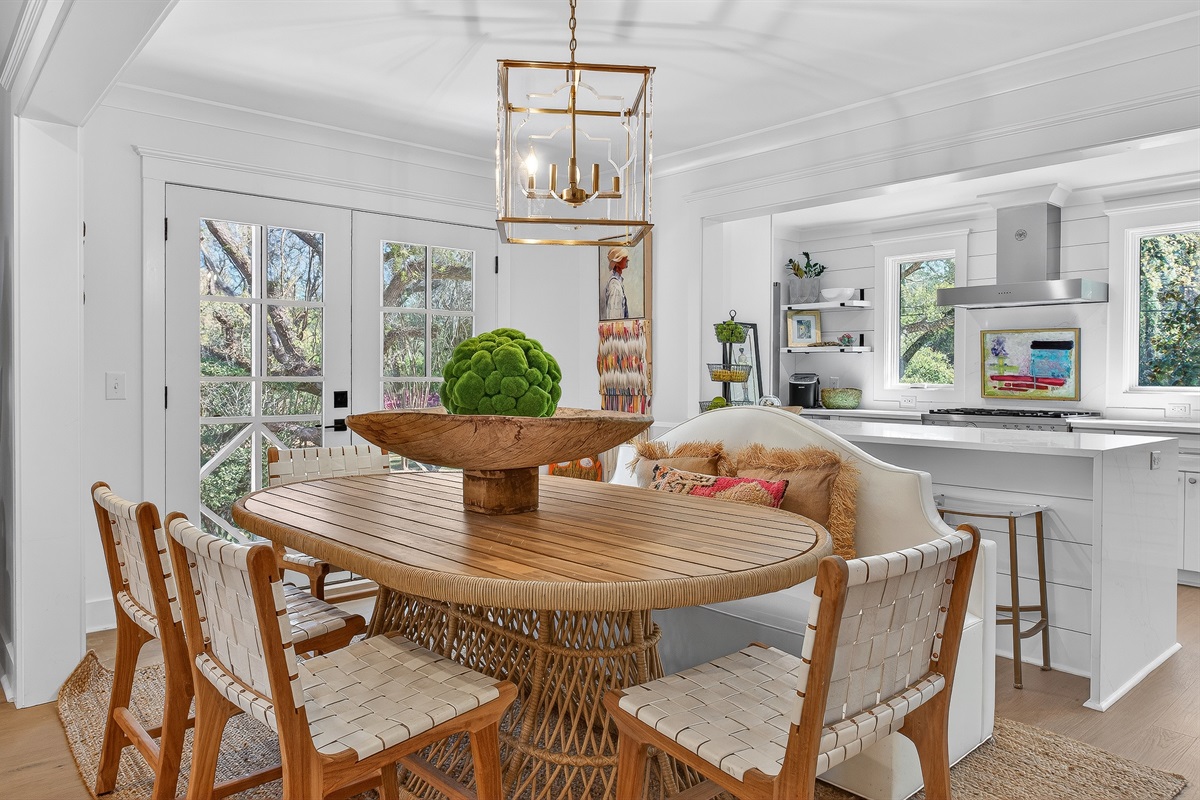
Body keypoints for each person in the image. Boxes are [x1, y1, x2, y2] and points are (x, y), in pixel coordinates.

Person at [603, 246, 629, 320]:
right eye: (624, 258)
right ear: (617, 263)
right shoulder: (615, 285)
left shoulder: (618, 282)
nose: (627, 260)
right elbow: (614, 316)